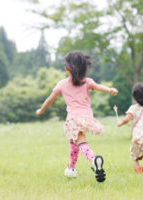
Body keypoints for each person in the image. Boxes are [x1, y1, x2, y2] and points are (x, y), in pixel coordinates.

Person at [36, 51, 118, 182]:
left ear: (67, 69)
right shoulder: (87, 82)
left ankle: (93, 160)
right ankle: (71, 169)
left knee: (81, 142)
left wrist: (41, 110)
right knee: (73, 141)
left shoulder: (62, 84)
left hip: (74, 119)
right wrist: (109, 90)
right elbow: (98, 87)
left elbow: (49, 100)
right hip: (86, 118)